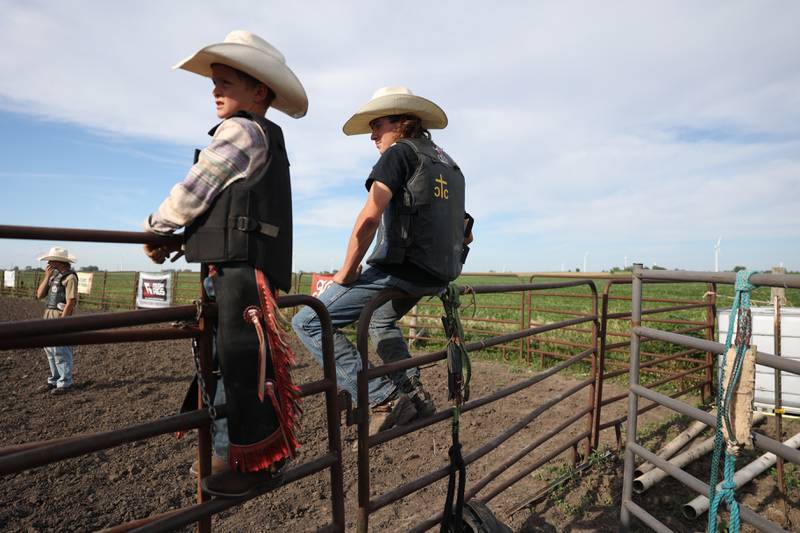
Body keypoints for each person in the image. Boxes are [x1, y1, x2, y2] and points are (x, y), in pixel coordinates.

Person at [142, 30, 307, 497]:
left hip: (238, 273)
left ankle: (243, 461)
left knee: (235, 363)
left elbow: (198, 188)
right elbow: (227, 205)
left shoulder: (241, 131)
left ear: (258, 91)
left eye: (226, 82)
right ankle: (236, 457)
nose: (215, 90)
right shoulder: (267, 137)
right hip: (244, 269)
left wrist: (158, 226)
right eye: (215, 82)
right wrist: (187, 240)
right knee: (239, 364)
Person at [292, 86, 472, 435]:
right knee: (380, 322)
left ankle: (380, 396)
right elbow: (465, 231)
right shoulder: (448, 165)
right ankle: (413, 393)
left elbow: (369, 218)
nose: (373, 134)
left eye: (378, 124)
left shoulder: (399, 154)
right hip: (435, 276)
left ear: (402, 122)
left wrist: (344, 273)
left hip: (400, 270)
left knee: (309, 322)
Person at [35, 246, 79, 395]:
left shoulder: (70, 277)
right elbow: (40, 295)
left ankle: (65, 383)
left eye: (51, 260)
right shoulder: (53, 276)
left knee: (60, 350)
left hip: (59, 315)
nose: (48, 262)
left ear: (57, 261)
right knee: (50, 350)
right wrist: (46, 276)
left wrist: (62, 321)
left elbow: (71, 301)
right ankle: (55, 379)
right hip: (48, 314)